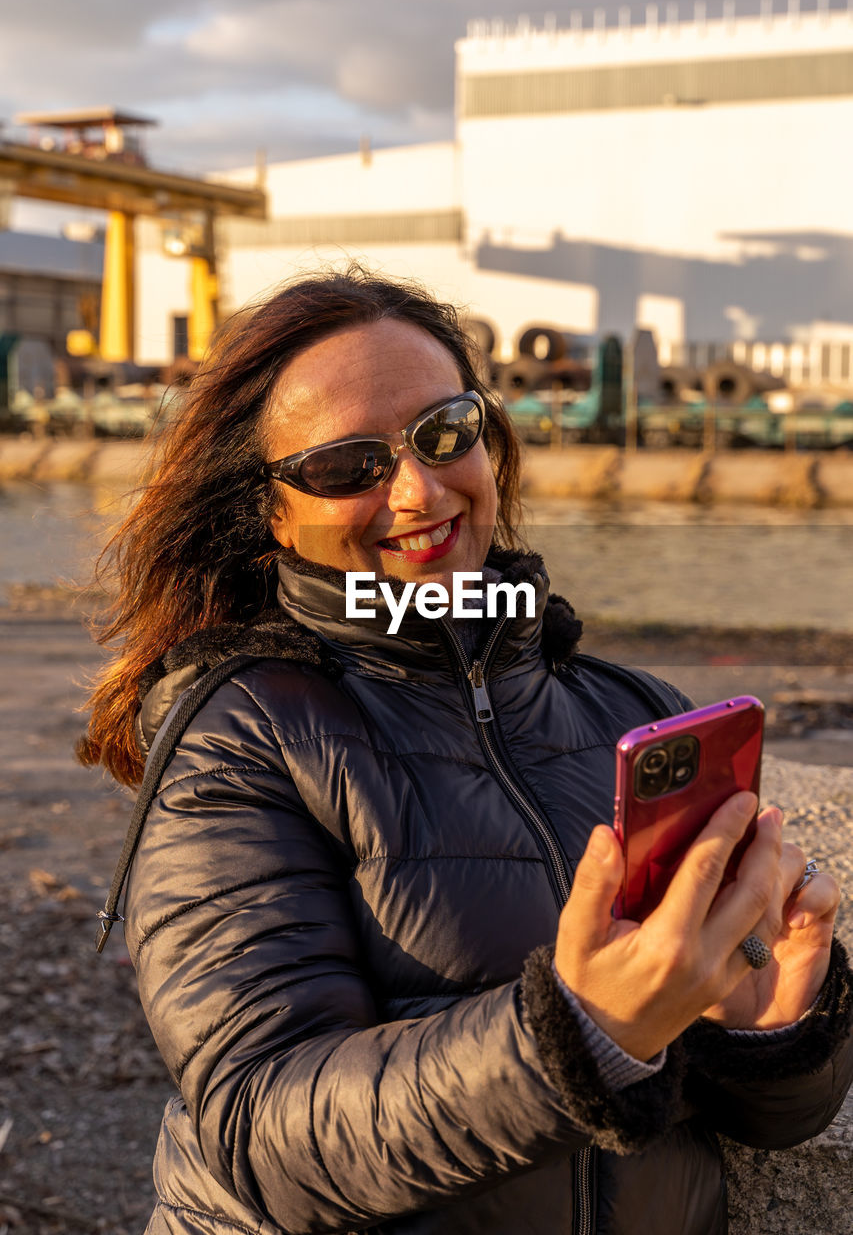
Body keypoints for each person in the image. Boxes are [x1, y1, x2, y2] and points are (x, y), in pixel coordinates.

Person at [80, 268, 852, 1235]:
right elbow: (262, 1129)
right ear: (269, 512)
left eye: (443, 432)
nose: (416, 488)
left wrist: (773, 1025)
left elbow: (778, 1120)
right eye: (345, 466)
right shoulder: (240, 733)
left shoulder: (629, 708)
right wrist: (578, 1033)